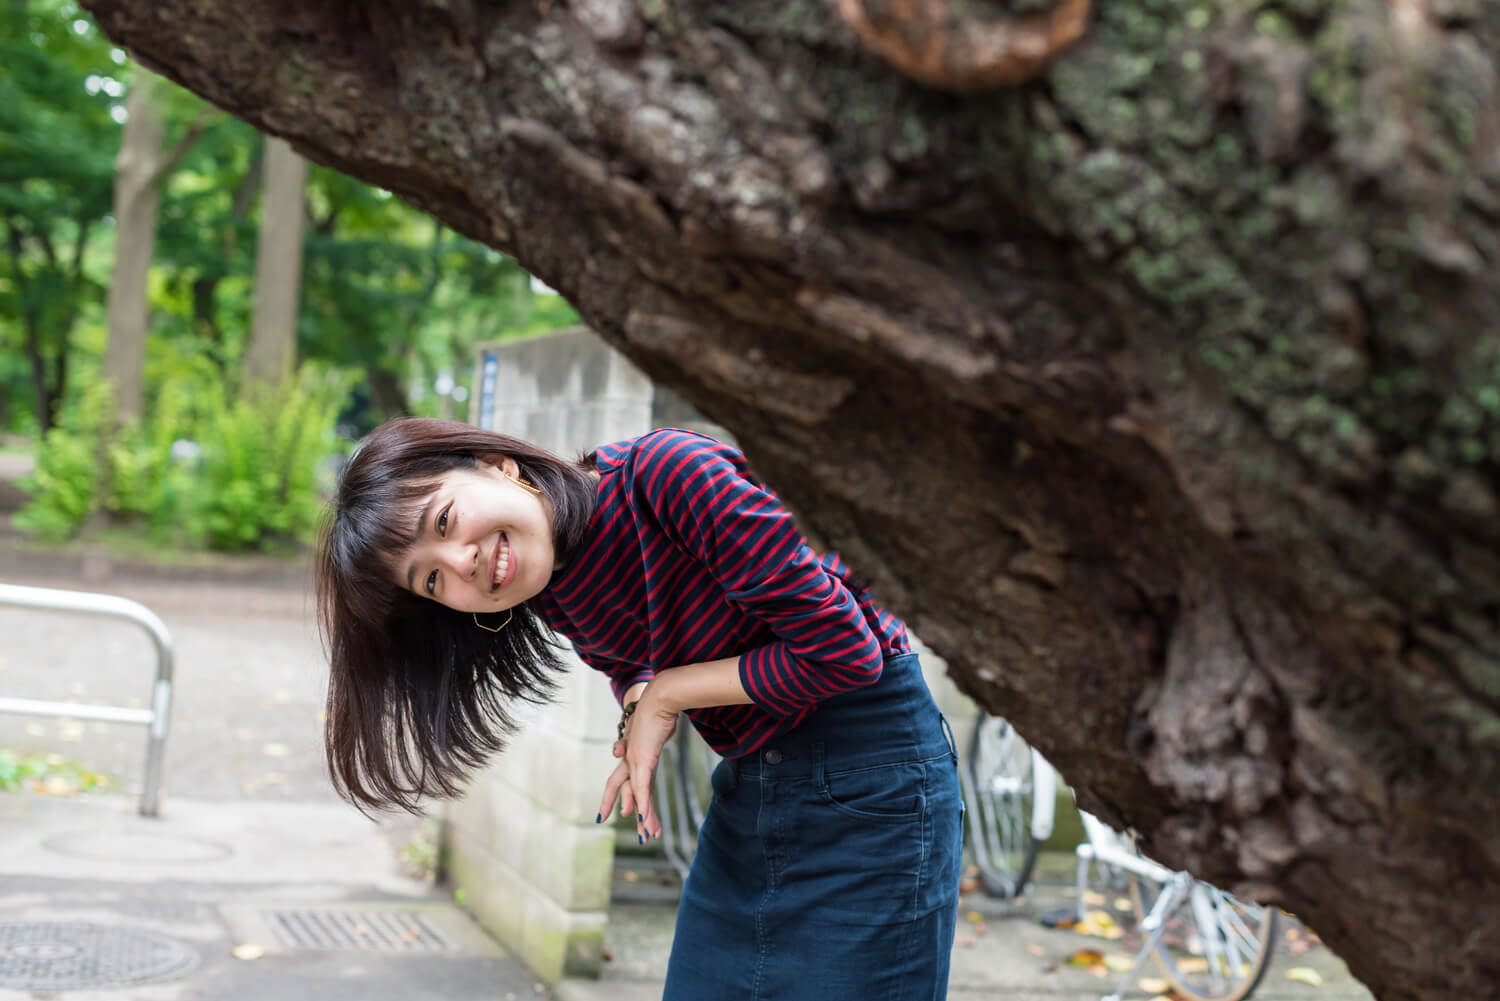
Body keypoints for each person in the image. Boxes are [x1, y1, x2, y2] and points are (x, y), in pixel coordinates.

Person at [316, 417, 963, 1000]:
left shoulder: (666, 474)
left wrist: (669, 695)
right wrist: (637, 704)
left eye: (444, 521)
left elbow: (846, 651)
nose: (463, 562)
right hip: (757, 787)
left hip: (874, 780)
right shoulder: (550, 583)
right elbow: (636, 657)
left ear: (495, 463)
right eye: (432, 580)